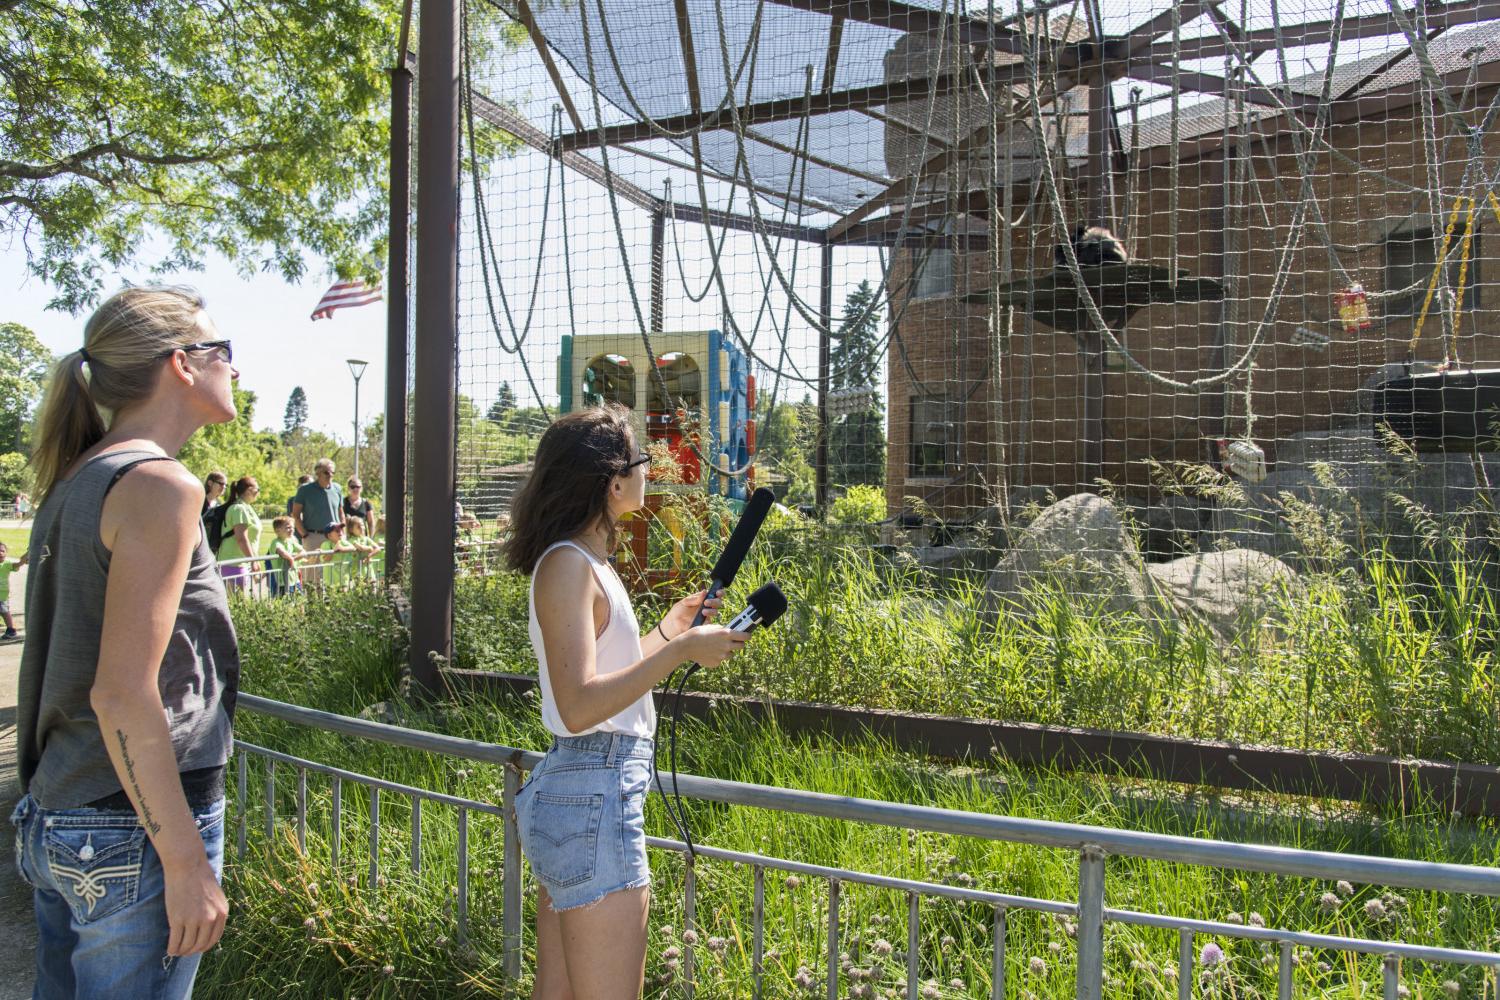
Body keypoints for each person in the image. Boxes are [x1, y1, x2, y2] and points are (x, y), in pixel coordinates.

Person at [13, 284, 238, 998]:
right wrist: (184, 862)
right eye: (223, 351)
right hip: (129, 833)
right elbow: (120, 690)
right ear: (182, 363)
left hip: (64, 811)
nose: (234, 367)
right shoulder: (161, 487)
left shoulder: (79, 476)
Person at [503, 404, 750, 999]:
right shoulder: (567, 565)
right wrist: (684, 650)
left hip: (584, 786)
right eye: (641, 462)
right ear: (612, 481)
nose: (650, 473)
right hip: (595, 782)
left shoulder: (585, 562)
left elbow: (607, 676)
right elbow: (580, 705)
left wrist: (668, 631)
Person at [215, 476, 262, 592]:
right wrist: (253, 561)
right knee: (237, 605)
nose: (258, 493)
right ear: (249, 490)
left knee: (242, 604)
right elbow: (241, 538)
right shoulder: (239, 509)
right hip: (234, 564)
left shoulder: (246, 507)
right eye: (258, 489)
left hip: (241, 563)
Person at [291, 459, 342, 553]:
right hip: (313, 537)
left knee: (335, 567)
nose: (330, 475)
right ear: (317, 473)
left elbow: (341, 513)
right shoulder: (305, 490)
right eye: (326, 472)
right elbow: (295, 515)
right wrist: (305, 534)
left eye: (332, 472)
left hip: (335, 536)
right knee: (313, 567)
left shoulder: (337, 489)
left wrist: (343, 533)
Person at [313, 521, 359, 590]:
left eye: (341, 530)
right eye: (337, 531)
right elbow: (325, 559)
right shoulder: (325, 544)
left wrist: (342, 549)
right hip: (330, 580)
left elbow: (353, 548)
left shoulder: (344, 542)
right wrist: (334, 551)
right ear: (329, 535)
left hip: (344, 579)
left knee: (344, 598)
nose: (340, 532)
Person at [268, 516, 305, 596]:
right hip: (283, 581)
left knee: (300, 600)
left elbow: (303, 552)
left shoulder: (291, 540)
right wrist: (290, 558)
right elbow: (281, 552)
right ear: (277, 530)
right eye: (288, 527)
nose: (291, 530)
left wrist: (293, 559)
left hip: (295, 578)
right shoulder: (275, 542)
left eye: (293, 527)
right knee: (287, 602)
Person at [0, 541, 28, 639]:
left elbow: (19, 564)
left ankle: (11, 630)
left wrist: (27, 555)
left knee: (4, 611)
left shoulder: (7, 564)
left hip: (2, 595)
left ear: (6, 553)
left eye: (2, 551)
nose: (0, 553)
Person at [345, 515, 382, 582]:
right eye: (358, 527)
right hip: (357, 572)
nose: (362, 528)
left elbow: (378, 548)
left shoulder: (366, 539)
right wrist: (370, 548)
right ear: (351, 530)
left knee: (372, 589)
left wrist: (369, 556)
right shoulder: (351, 540)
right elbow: (360, 548)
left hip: (369, 571)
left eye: (362, 525)